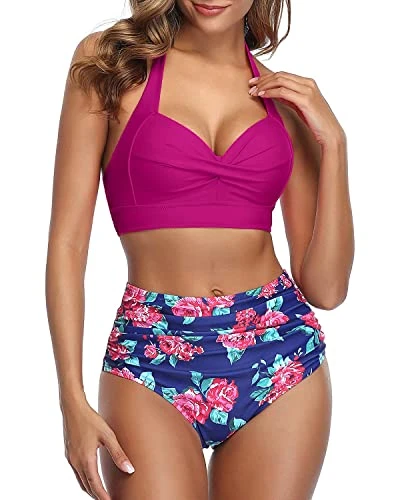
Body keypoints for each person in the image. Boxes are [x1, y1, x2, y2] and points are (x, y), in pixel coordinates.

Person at [46, 0, 354, 498]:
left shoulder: (283, 100)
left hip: (278, 351)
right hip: (150, 351)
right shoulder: (113, 64)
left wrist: (335, 145)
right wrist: (71, 400)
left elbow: (327, 288)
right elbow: (66, 244)